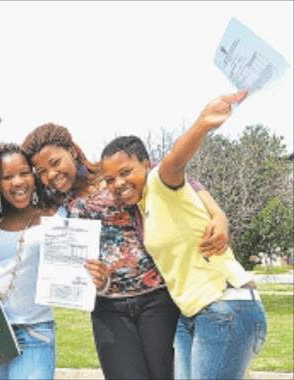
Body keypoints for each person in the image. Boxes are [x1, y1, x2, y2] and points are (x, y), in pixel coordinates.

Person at [21, 123, 230, 379]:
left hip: (157, 299)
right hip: (108, 306)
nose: (50, 174)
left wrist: (218, 214)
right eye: (41, 171)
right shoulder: (56, 199)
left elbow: (172, 177)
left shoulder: (114, 173)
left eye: (55, 162)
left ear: (72, 151)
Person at [100, 91, 267, 380]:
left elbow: (174, 163)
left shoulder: (160, 182)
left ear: (145, 164)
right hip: (191, 315)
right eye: (111, 179)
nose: (118, 183)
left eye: (126, 172)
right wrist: (218, 213)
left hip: (225, 304)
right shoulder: (142, 206)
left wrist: (202, 124)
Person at [0, 143, 63, 379]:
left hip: (35, 330)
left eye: (24, 173)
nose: (18, 182)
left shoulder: (54, 217)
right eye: (7, 177)